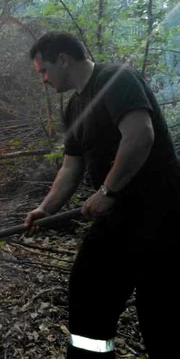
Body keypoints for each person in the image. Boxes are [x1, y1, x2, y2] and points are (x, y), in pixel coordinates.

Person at [24, 31, 180, 358]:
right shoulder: (75, 108)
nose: (42, 80)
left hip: (161, 213)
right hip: (118, 218)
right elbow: (71, 168)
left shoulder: (116, 79)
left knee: (159, 308)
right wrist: (45, 208)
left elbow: (140, 135)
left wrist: (108, 190)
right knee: (88, 291)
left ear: (63, 60)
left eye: (43, 70)